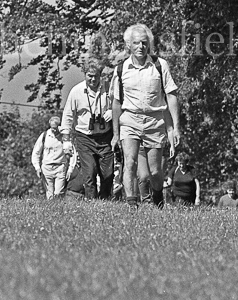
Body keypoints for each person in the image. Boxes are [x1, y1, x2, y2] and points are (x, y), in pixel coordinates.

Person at [112, 24, 182, 209]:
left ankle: (158, 197)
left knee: (155, 171)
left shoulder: (160, 65)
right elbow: (116, 103)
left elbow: (171, 95)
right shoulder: (121, 69)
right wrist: (115, 134)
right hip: (130, 119)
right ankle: (131, 204)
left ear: (149, 44)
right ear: (128, 45)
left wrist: (175, 127)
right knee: (130, 162)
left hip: (154, 120)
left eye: (144, 42)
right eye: (136, 43)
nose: (141, 46)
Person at [59, 58, 115, 200]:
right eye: (90, 76)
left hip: (105, 137)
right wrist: (66, 140)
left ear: (100, 75)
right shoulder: (76, 91)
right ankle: (91, 201)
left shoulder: (109, 89)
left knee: (107, 174)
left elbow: (120, 105)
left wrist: (113, 111)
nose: (93, 79)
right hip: (84, 137)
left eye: (96, 76)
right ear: (85, 74)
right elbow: (68, 116)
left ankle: (105, 200)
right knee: (89, 172)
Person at [31, 116, 67, 199]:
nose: (53, 130)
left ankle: (59, 205)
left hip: (60, 167)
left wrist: (70, 168)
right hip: (47, 167)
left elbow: (72, 151)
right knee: (49, 193)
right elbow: (36, 152)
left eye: (55, 128)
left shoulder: (64, 136)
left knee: (58, 192)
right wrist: (37, 167)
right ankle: (51, 206)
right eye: (52, 128)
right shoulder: (45, 135)